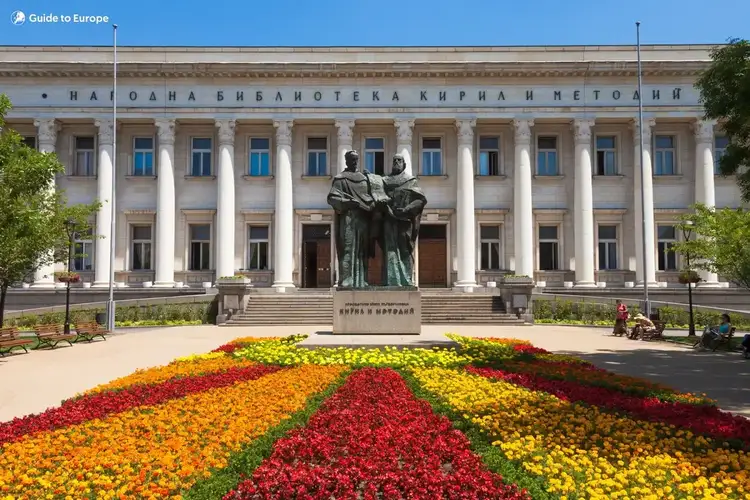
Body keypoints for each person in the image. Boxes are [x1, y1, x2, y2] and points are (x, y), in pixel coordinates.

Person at [327, 150, 388, 288]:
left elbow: (373, 196)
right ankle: (347, 280)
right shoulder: (340, 179)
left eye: (356, 159)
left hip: (364, 219)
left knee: (363, 251)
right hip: (348, 219)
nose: (354, 162)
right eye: (351, 159)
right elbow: (332, 198)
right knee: (348, 248)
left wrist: (374, 205)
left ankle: (362, 281)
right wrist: (346, 202)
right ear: (346, 161)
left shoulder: (365, 178)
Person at [380, 155, 427, 286]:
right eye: (394, 160)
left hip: (404, 221)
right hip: (389, 219)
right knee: (389, 249)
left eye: (399, 160)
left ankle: (406, 280)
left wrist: (406, 209)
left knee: (405, 249)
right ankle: (389, 280)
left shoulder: (410, 181)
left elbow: (420, 200)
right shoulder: (385, 181)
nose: (396, 162)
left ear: (404, 165)